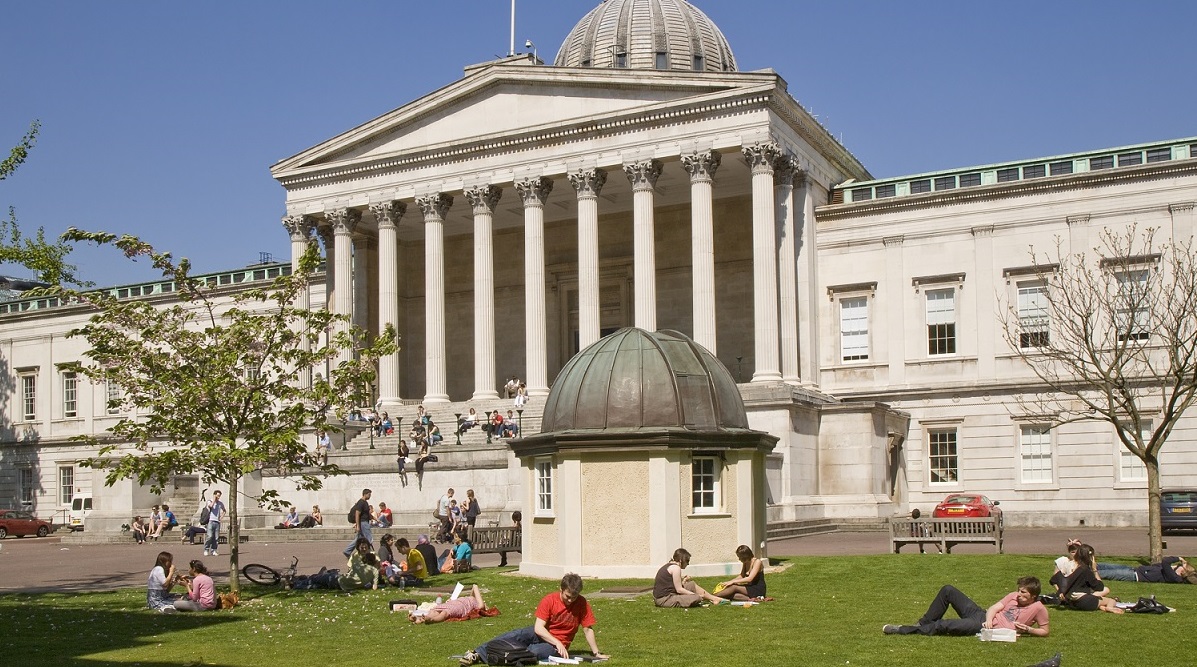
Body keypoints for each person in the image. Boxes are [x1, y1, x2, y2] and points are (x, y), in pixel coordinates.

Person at [460, 573, 609, 665]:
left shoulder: (582, 603)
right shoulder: (549, 600)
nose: (570, 601)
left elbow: (588, 629)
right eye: (567, 597)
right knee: (515, 635)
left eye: (574, 597)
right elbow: (539, 628)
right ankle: (477, 653)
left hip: (558, 645)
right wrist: (556, 641)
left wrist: (596, 653)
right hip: (542, 633)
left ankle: (494, 657)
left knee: (532, 652)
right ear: (561, 589)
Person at [882, 576, 1050, 637]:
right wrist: (989, 619)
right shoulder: (1013, 596)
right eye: (1019, 591)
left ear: (1033, 596)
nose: (1019, 595)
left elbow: (1045, 630)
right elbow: (994, 607)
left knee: (944, 625)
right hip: (982, 616)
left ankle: (903, 630)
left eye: (1023, 593)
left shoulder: (1038, 608)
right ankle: (923, 623)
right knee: (948, 590)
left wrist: (1029, 630)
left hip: (982, 626)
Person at [1049, 543, 1122, 613]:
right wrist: (1094, 570)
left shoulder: (1068, 564)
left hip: (1071, 602)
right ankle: (1109, 607)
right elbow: (1099, 587)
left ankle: (1101, 606)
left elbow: (1053, 580)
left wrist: (1060, 592)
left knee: (1099, 597)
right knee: (1111, 600)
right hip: (1085, 602)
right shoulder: (1086, 570)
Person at [653, 547, 723, 607]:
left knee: (691, 585)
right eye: (687, 561)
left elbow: (672, 586)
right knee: (696, 598)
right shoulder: (675, 568)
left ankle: (714, 599)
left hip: (669, 595)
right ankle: (705, 598)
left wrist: (684, 581)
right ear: (680, 560)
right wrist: (696, 595)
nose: (688, 563)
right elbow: (679, 590)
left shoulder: (671, 566)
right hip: (664, 599)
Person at [412, 584, 489, 624]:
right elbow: (474, 588)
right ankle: (421, 619)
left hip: (455, 606)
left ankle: (425, 619)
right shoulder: (476, 603)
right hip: (452, 605)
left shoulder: (478, 605)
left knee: (440, 613)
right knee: (435, 612)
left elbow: (475, 587)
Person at [1097, 555, 1195, 583]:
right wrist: (1173, 567)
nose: (1177, 565)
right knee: (1105, 565)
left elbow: (1165, 561)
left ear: (1182, 571)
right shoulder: (1172, 573)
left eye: (1179, 566)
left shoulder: (1175, 578)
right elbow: (1157, 565)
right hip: (1134, 569)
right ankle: (1087, 565)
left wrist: (1178, 558)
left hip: (1134, 575)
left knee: (1106, 573)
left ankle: (1087, 573)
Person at [343, 488, 373, 557]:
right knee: (369, 538)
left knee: (358, 539)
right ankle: (370, 553)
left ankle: (347, 551)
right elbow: (357, 513)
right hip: (363, 523)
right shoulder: (361, 502)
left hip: (364, 522)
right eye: (369, 494)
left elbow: (367, 514)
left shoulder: (365, 502)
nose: (370, 496)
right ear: (365, 494)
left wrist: (375, 519)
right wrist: (358, 525)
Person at [203, 490, 226, 557]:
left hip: (217, 522)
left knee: (216, 538)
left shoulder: (220, 503)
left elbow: (224, 510)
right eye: (217, 495)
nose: (218, 497)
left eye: (219, 496)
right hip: (210, 521)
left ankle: (214, 550)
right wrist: (214, 500)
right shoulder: (209, 501)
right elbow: (210, 506)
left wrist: (221, 517)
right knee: (209, 536)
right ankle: (206, 549)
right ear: (214, 495)